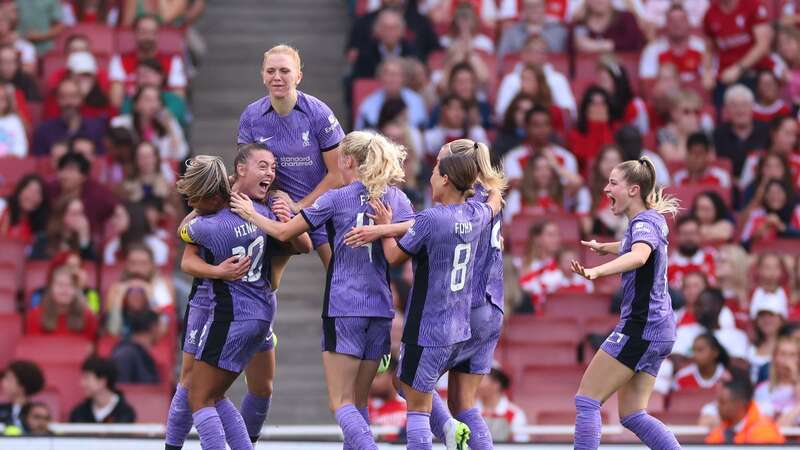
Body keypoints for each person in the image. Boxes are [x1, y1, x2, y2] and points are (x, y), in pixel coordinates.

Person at [229, 131, 415, 450]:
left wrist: (250, 214)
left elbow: (286, 231)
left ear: (348, 161)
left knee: (340, 403)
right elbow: (417, 228)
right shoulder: (395, 198)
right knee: (359, 403)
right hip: (382, 310)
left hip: (343, 308)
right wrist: (385, 228)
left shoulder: (336, 198)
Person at [349, 139, 508, 450]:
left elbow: (406, 247)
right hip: (488, 309)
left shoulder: (436, 217)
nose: (432, 171)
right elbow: (488, 204)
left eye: (438, 165)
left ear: (450, 175)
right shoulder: (484, 205)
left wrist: (382, 229)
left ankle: (446, 428)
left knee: (416, 401)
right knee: (460, 402)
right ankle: (451, 428)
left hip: (447, 314)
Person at [167, 145, 312, 449]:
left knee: (209, 394)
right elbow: (188, 258)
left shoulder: (254, 211)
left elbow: (184, 236)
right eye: (263, 166)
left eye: (273, 167)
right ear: (239, 171)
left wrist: (289, 214)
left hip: (234, 310)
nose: (270, 173)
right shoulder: (254, 211)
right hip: (215, 304)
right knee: (196, 386)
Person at [570, 156, 681, 450]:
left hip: (641, 327)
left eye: (613, 183)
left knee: (587, 399)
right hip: (659, 329)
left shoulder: (643, 222)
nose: (606, 189)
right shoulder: (651, 220)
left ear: (633, 190)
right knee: (632, 414)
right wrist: (604, 248)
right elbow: (635, 246)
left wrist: (596, 270)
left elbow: (639, 255)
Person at [237, 44, 346, 269]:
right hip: (276, 208)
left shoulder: (318, 113)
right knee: (266, 284)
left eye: (284, 71)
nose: (277, 77)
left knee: (338, 276)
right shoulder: (251, 115)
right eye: (270, 71)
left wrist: (300, 206)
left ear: (298, 76)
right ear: (262, 76)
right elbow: (246, 170)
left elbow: (338, 174)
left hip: (320, 206)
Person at [702, 0, 773, 111]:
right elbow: (709, 49)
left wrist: (739, 68)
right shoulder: (710, 13)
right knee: (720, 108)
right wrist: (706, 72)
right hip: (725, 76)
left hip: (754, 73)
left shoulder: (753, 6)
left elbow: (763, 45)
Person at [109, 14, 187, 106]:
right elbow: (116, 101)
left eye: (152, 32)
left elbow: (179, 100)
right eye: (143, 32)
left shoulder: (173, 62)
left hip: (163, 113)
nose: (147, 37)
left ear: (157, 34)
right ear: (135, 33)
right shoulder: (120, 61)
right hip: (131, 113)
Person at [494, 36, 576, 120]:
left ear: (546, 55)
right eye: (531, 51)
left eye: (541, 52)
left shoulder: (558, 79)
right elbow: (501, 113)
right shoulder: (511, 79)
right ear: (523, 54)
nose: (536, 55)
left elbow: (568, 112)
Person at [104, 243, 174, 337]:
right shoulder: (116, 289)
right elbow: (112, 331)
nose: (138, 269)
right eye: (133, 263)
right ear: (126, 265)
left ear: (152, 265)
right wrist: (119, 297)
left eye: (143, 264)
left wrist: (151, 296)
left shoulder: (162, 286)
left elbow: (162, 330)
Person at [503, 106, 580, 189]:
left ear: (551, 127)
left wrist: (556, 166)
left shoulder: (565, 156)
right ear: (526, 127)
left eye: (546, 125)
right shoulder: (514, 157)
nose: (542, 129)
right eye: (536, 125)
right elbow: (515, 185)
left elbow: (574, 185)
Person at [44, 151, 118, 235]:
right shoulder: (49, 190)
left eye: (71, 171)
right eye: (62, 170)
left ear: (83, 176)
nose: (64, 175)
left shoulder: (98, 195)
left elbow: (116, 210)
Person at [32, 78, 107, 156]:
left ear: (81, 99)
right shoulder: (44, 131)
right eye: (63, 97)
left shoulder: (96, 129)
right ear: (57, 99)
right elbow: (39, 163)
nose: (68, 102)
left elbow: (101, 160)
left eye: (73, 96)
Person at [110, 85, 188, 160]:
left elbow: (180, 154)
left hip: (160, 171)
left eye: (157, 99)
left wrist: (170, 130)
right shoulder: (120, 123)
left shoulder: (169, 122)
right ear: (136, 104)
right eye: (148, 100)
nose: (154, 105)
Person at [712, 84, 770, 180]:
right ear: (726, 109)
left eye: (744, 105)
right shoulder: (718, 134)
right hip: (729, 185)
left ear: (752, 107)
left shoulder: (766, 131)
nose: (740, 110)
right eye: (734, 106)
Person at [25, 265, 98, 340]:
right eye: (60, 285)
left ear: (76, 290)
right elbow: (33, 347)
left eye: (70, 285)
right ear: (51, 288)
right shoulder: (35, 316)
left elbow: (90, 348)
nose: (64, 290)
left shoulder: (88, 317)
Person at [705, 376, 785, 444]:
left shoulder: (764, 432)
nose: (717, 406)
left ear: (740, 404)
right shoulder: (722, 430)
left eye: (723, 402)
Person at [356, 57, 428, 131]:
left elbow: (421, 131)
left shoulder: (416, 100)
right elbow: (360, 134)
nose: (391, 79)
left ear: (404, 78)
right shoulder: (368, 103)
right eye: (387, 74)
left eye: (396, 74)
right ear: (380, 77)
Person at [639, 6, 706, 83]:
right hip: (664, 94)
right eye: (672, 21)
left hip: (695, 94)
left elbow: (709, 82)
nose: (677, 24)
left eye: (681, 20)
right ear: (666, 24)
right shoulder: (652, 50)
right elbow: (647, 84)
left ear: (688, 23)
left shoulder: (701, 48)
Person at [352, 9, 422, 80]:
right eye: (385, 28)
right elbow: (359, 81)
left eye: (394, 28)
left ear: (402, 31)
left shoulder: (412, 52)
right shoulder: (365, 54)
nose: (390, 32)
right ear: (377, 30)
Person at [43, 51, 115, 121]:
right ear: (69, 75)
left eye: (87, 75)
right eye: (79, 75)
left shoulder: (103, 101)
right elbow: (51, 127)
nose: (84, 80)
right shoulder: (55, 100)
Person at [577, 145, 626, 238]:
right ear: (598, 164)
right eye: (606, 160)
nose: (611, 165)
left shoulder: (631, 192)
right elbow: (586, 227)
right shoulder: (587, 192)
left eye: (616, 161)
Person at [740, 115, 800, 192]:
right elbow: (745, 191)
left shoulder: (798, 162)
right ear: (774, 134)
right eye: (788, 134)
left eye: (795, 135)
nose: (793, 140)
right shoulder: (754, 159)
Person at [69, 356, 136, 423]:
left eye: (87, 378)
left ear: (102, 381)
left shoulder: (125, 413)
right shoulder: (78, 414)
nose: (82, 384)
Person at [29, 195, 96, 261]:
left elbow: (90, 267)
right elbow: (35, 266)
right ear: (62, 215)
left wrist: (84, 238)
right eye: (74, 214)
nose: (79, 218)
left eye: (81, 213)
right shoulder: (43, 239)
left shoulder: (84, 242)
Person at [570, 0, 645, 54]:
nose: (599, 1)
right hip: (586, 70)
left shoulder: (626, 18)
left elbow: (634, 42)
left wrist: (601, 46)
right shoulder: (580, 23)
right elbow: (569, 47)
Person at [475, 367, 528, 443]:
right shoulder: (469, 411)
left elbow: (522, 443)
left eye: (481, 380)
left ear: (496, 384)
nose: (477, 384)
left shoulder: (515, 414)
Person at [740, 180, 800, 246]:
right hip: (763, 254)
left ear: (785, 194)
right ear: (765, 196)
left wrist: (782, 228)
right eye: (771, 193)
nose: (775, 196)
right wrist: (759, 232)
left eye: (778, 192)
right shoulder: (757, 214)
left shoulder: (796, 212)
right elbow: (743, 244)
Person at [497, 0, 568, 56]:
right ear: (523, 9)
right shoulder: (511, 32)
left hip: (551, 72)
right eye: (529, 6)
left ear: (545, 6)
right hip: (519, 72)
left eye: (537, 6)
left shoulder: (559, 31)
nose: (534, 10)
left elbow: (563, 59)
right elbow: (501, 59)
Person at [567, 87, 617, 165]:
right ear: (586, 109)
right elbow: (588, 160)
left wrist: (603, 125)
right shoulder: (575, 134)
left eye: (603, 104)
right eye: (594, 104)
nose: (599, 108)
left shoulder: (616, 130)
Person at [758, 336, 800, 425]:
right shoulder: (763, 389)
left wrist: (796, 378)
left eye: (792, 355)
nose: (787, 360)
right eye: (783, 354)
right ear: (774, 358)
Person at [656, 92, 706, 164]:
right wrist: (685, 135)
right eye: (686, 112)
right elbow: (674, 161)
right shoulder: (664, 132)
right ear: (674, 113)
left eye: (696, 112)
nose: (692, 116)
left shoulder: (701, 130)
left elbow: (710, 158)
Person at [111, 310, 160, 384]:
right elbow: (121, 388)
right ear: (154, 327)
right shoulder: (125, 354)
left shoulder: (141, 353)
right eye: (160, 325)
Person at [667, 216, 717, 288]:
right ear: (677, 236)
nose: (689, 238)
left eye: (692, 233)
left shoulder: (713, 257)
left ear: (699, 235)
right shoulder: (667, 266)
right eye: (684, 233)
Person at [0, 174, 48, 244]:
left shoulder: (40, 225)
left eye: (37, 193)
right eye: (29, 190)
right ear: (19, 191)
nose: (32, 196)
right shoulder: (2, 206)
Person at [0, 360, 45, 428]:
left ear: (22, 386)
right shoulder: (2, 409)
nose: (3, 383)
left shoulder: (37, 411)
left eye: (9, 379)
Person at [491, 93, 535, 158]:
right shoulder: (502, 141)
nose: (525, 115)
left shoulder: (544, 138)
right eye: (521, 111)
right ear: (513, 113)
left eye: (529, 112)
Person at [0, 10, 36, 75]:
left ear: (9, 23)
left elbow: (29, 70)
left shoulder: (24, 46)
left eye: (2, 21)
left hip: (17, 81)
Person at [0, 83, 27, 156]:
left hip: (10, 163)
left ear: (7, 102)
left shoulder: (14, 121)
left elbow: (21, 148)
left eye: (2, 99)